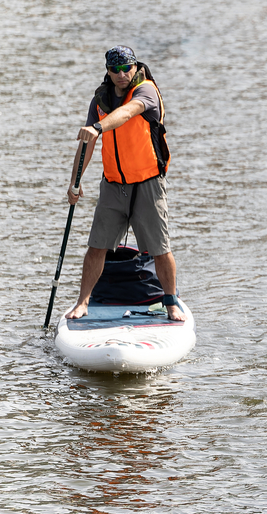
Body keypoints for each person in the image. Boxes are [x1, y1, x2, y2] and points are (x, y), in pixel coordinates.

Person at [64, 45, 184, 322]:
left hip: (148, 183)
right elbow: (88, 143)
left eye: (126, 68)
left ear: (134, 66)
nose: (121, 74)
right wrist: (75, 181)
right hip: (113, 185)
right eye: (114, 70)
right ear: (107, 71)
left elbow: (129, 112)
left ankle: (171, 303)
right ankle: (83, 302)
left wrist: (98, 126)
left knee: (160, 247)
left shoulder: (146, 91)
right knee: (97, 246)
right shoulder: (101, 100)